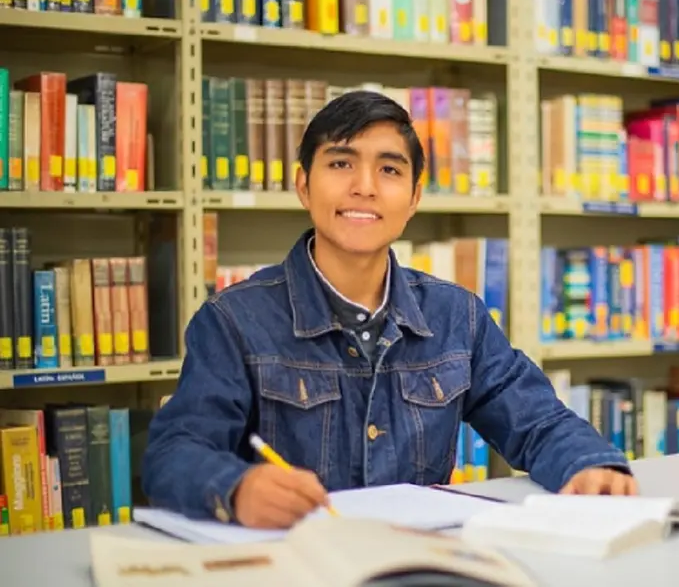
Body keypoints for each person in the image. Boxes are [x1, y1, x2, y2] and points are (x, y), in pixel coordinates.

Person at [141, 90, 636, 530]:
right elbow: (174, 452)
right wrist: (237, 489)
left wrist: (589, 465)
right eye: (340, 163)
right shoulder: (233, 321)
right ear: (303, 186)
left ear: (415, 195)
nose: (365, 186)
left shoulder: (456, 316)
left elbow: (538, 421)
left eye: (390, 169)